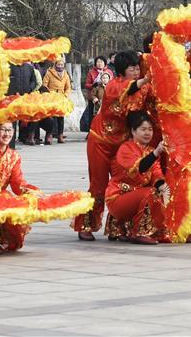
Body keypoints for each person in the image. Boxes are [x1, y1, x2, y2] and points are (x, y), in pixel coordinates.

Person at [75, 51, 151, 241]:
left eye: (137, 68)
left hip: (123, 143)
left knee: (125, 183)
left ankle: (118, 227)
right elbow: (129, 88)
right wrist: (145, 79)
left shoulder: (143, 87)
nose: (135, 72)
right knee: (98, 185)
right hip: (101, 141)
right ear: (121, 71)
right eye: (131, 69)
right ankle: (86, 225)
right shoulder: (113, 86)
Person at [105, 111, 169, 245]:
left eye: (150, 129)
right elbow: (140, 167)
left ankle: (161, 231)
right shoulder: (126, 148)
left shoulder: (149, 150)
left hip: (138, 197)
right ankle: (139, 233)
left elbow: (156, 173)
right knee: (151, 193)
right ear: (133, 131)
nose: (147, 133)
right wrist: (156, 153)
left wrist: (163, 186)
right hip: (119, 197)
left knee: (166, 191)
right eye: (143, 129)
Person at [0, 122, 37, 254]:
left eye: (10, 130)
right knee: (1, 199)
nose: (7, 134)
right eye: (2, 130)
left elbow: (17, 183)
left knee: (15, 242)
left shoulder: (14, 156)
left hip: (0, 195)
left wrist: (30, 190)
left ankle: (0, 238)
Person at [41, 58, 72, 145]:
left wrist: (65, 95)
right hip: (52, 97)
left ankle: (60, 135)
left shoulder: (65, 74)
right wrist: (49, 93)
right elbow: (44, 84)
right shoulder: (49, 73)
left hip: (61, 98)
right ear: (55, 65)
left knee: (61, 117)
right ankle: (50, 134)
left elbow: (68, 87)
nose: (60, 66)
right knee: (52, 117)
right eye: (58, 64)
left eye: (62, 65)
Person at [7, 61, 38, 148]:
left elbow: (34, 81)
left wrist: (30, 88)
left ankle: (24, 137)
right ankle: (11, 140)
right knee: (13, 118)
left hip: (25, 96)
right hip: (13, 96)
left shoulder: (29, 67)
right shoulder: (11, 66)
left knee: (25, 117)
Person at [85, 56, 113, 129]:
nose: (99, 64)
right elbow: (87, 84)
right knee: (93, 115)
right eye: (98, 62)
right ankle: (91, 131)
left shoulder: (109, 72)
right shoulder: (91, 72)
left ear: (105, 63)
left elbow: (113, 83)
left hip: (106, 98)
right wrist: (93, 85)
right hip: (94, 97)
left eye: (101, 62)